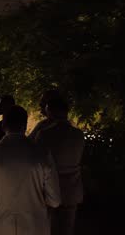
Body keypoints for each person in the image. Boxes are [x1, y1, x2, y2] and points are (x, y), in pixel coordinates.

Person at [0, 105, 61, 235]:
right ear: (25, 124)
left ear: (3, 124)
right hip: (36, 226)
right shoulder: (42, 154)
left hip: (3, 226)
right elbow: (55, 200)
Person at [35, 97, 85, 235]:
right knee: (67, 228)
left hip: (50, 189)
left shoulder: (44, 134)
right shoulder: (78, 135)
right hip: (72, 189)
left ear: (50, 111)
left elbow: (37, 161)